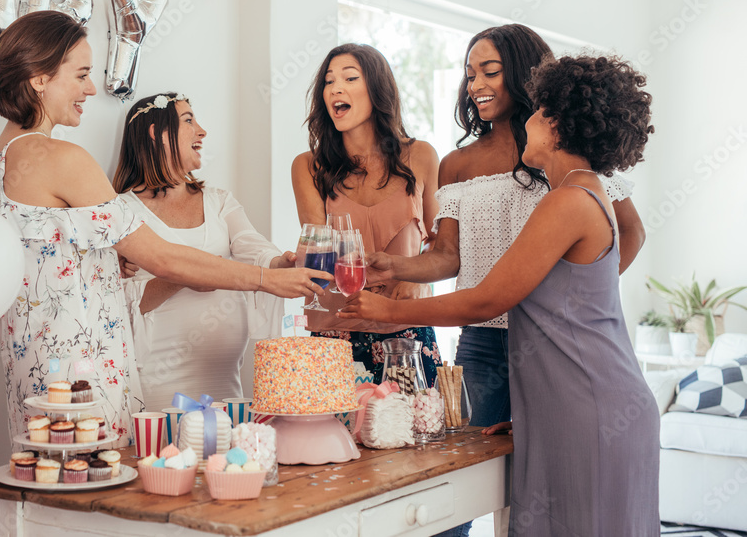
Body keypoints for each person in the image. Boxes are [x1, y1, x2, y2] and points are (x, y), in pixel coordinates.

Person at [342, 53, 660, 536]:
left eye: (538, 112)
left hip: (590, 410)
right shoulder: (584, 192)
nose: (527, 121)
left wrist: (391, 308)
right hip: (581, 407)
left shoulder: (569, 201)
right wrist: (540, 413)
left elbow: (487, 299)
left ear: (555, 126)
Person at [0, 11, 329, 445]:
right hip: (81, 370)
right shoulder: (60, 157)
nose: (91, 88)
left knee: (50, 488)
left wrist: (108, 263)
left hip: (36, 367)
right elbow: (162, 258)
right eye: (82, 74)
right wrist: (266, 279)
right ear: (38, 78)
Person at [112, 93, 293, 411]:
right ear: (158, 133)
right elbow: (117, 305)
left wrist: (283, 262)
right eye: (188, 120)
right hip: (157, 383)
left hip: (223, 380)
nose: (202, 131)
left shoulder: (218, 200)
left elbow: (254, 247)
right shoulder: (121, 211)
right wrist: (183, 275)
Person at [290, 43, 441, 386]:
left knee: (416, 434)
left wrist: (413, 275)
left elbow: (441, 244)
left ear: (377, 89)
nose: (336, 88)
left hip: (406, 331)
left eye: (350, 78)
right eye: (329, 82)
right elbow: (321, 250)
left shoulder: (421, 156)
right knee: (339, 438)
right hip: (336, 332)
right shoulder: (308, 166)